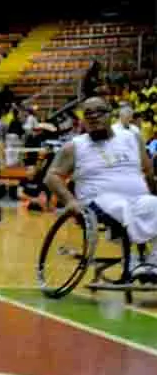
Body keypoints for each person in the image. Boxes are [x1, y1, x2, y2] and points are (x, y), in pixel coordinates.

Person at [45, 96, 157, 280]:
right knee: (124, 208)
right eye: (88, 113)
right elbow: (52, 176)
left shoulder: (132, 138)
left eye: (99, 112)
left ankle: (152, 263)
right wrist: (70, 201)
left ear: (111, 115)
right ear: (83, 119)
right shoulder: (74, 147)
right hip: (98, 201)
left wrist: (154, 190)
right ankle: (133, 261)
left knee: (152, 205)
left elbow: (147, 170)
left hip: (138, 198)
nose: (94, 117)